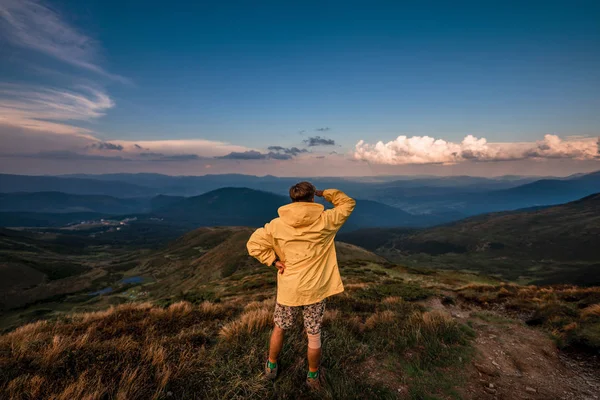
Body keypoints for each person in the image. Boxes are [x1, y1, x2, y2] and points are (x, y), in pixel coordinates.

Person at [246, 181, 356, 390]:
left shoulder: (276, 225)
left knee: (280, 327)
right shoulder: (326, 220)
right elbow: (348, 203)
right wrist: (326, 193)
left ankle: (271, 366)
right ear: (312, 198)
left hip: (290, 289)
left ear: (292, 199)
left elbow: (253, 244)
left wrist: (272, 260)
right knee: (313, 335)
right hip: (316, 289)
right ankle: (312, 376)